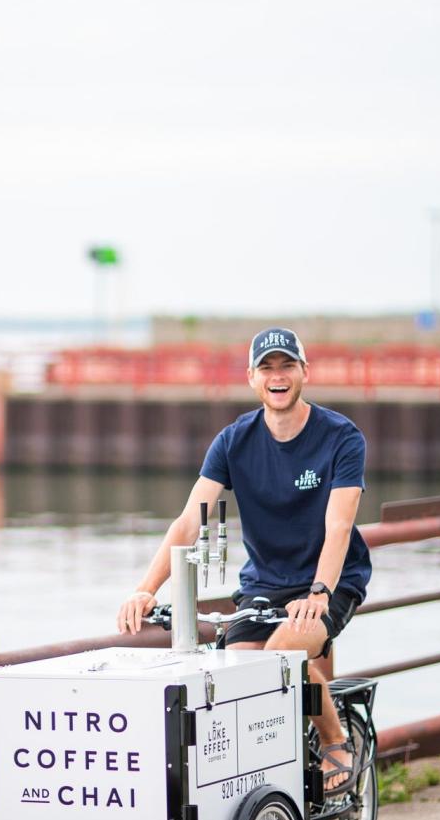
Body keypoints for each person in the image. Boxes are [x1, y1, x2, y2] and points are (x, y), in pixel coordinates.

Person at [117, 326, 371, 793]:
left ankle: (334, 739)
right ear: (252, 378)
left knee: (281, 655)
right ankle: (275, 782)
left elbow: (339, 526)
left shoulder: (340, 437)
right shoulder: (234, 441)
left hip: (332, 580)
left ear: (304, 373)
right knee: (238, 665)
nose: (277, 376)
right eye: (266, 367)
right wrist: (145, 588)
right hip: (265, 583)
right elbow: (189, 523)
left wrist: (319, 592)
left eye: (287, 365)